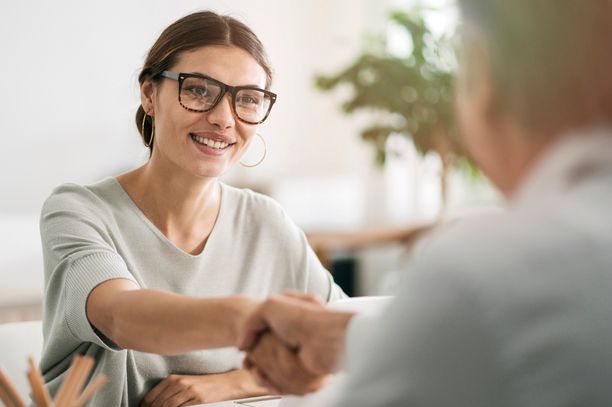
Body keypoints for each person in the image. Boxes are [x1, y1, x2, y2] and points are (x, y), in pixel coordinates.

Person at [239, 0, 612, 406]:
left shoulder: (481, 274)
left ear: (480, 70)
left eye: (248, 98)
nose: (225, 118)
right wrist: (346, 337)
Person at [38, 11, 346, 407]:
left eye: (248, 99)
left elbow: (337, 344)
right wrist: (253, 320)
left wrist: (237, 382)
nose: (223, 119)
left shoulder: (266, 221)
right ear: (149, 94)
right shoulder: (79, 210)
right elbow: (121, 316)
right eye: (200, 90)